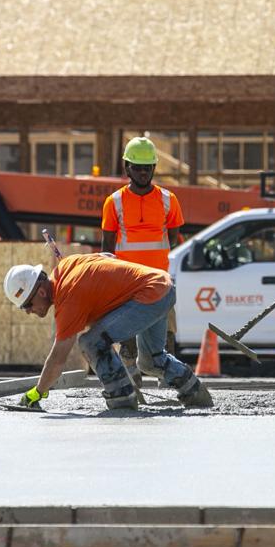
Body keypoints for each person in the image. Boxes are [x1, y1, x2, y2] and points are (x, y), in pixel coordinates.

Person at [2, 253, 212, 411]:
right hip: (162, 286)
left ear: (40, 291)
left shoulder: (69, 297)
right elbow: (107, 257)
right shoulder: (67, 266)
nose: (29, 312)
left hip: (149, 296)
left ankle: (122, 399)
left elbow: (58, 358)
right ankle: (196, 394)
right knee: (150, 362)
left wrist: (37, 393)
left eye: (28, 305)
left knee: (91, 342)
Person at [101, 136, 184, 388]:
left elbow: (173, 239)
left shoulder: (168, 200)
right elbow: (107, 248)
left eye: (147, 168)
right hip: (126, 284)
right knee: (126, 342)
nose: (142, 173)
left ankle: (167, 382)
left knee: (165, 337)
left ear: (154, 169)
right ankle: (131, 387)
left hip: (159, 281)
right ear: (127, 167)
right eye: (137, 167)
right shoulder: (114, 202)